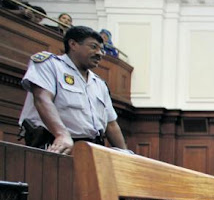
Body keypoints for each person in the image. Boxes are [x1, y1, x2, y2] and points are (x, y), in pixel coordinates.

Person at [17, 25, 131, 155]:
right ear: (73, 44)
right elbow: (42, 99)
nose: (100, 53)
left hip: (91, 150)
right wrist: (61, 134)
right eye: (93, 47)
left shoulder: (99, 83)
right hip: (56, 145)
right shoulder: (50, 65)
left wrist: (125, 153)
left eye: (102, 49)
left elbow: (111, 124)